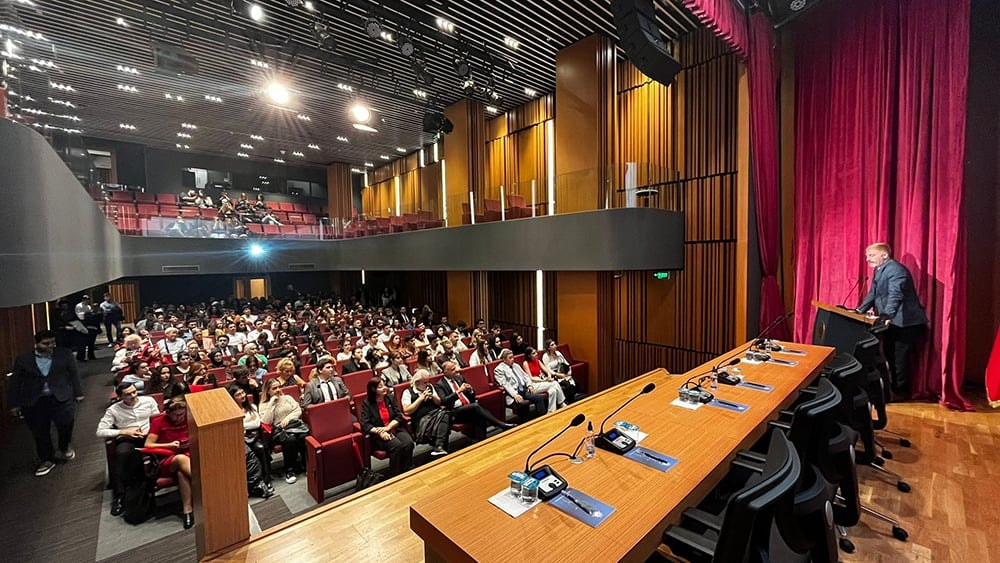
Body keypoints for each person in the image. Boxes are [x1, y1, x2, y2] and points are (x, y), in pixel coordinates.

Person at [855, 242, 929, 395]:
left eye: (871, 255)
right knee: (889, 355)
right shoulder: (879, 270)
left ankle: (900, 392)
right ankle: (892, 389)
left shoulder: (896, 270)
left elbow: (896, 295)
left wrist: (886, 315)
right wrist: (859, 311)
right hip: (893, 322)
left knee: (898, 357)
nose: (867, 259)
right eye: (867, 256)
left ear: (885, 255)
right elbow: (873, 294)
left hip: (906, 323)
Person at [9, 330, 85, 476]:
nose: (51, 346)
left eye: (53, 342)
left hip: (61, 396)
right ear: (36, 343)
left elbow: (74, 374)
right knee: (40, 432)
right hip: (34, 400)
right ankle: (47, 459)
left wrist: (78, 393)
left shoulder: (64, 354)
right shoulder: (23, 359)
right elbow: (15, 382)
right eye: (46, 343)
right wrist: (14, 404)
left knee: (66, 424)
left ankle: (64, 446)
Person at [96, 382, 160, 516]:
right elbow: (100, 431)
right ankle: (120, 495)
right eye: (128, 394)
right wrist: (124, 432)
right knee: (122, 454)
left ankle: (151, 485)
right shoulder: (114, 410)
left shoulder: (148, 401)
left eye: (134, 392)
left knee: (163, 450)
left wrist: (148, 431)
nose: (133, 396)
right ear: (120, 397)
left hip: (149, 434)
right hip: (128, 437)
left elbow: (157, 419)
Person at [144, 397, 195, 529]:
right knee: (180, 459)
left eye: (182, 414)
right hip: (168, 459)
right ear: (168, 412)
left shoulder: (188, 417)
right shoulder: (159, 422)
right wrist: (170, 445)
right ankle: (206, 483)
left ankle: (187, 510)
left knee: (181, 473)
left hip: (189, 454)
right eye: (176, 415)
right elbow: (148, 444)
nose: (180, 417)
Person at [435, 360, 513, 439]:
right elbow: (444, 401)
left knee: (479, 415)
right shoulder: (440, 385)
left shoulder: (459, 378)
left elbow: (472, 395)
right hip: (454, 412)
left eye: (455, 368)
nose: (456, 371)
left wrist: (470, 390)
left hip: (467, 407)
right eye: (452, 369)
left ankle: (482, 441)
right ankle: (501, 425)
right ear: (445, 372)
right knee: (476, 407)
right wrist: (459, 391)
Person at [227, 384, 274, 497]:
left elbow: (257, 423)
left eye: (242, 392)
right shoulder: (230, 411)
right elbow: (235, 426)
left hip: (253, 436)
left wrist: (243, 425)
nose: (242, 395)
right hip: (239, 439)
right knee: (248, 454)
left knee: (261, 448)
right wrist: (245, 424)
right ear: (232, 397)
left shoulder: (252, 406)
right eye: (238, 394)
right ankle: (254, 484)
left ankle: (266, 480)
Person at [360, 378, 415, 477]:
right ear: (373, 390)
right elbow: (365, 424)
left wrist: (388, 427)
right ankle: (395, 474)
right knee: (397, 446)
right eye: (380, 387)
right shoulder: (367, 404)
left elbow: (398, 416)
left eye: (384, 385)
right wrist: (380, 432)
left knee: (408, 443)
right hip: (379, 434)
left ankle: (406, 468)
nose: (384, 388)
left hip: (394, 428)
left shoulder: (390, 398)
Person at [259, 379, 306, 483]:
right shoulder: (264, 405)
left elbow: (298, 410)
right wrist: (271, 404)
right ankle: (289, 469)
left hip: (294, 425)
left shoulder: (287, 398)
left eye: (279, 387)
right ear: (268, 391)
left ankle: (305, 464)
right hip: (279, 431)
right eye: (274, 388)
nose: (278, 390)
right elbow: (266, 421)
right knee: (290, 439)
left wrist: (288, 418)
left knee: (303, 436)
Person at [400, 369, 451, 456]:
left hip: (436, 415)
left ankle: (439, 447)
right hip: (422, 422)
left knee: (445, 414)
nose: (427, 384)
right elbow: (407, 411)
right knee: (445, 416)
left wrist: (433, 396)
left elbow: (439, 402)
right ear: (417, 382)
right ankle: (439, 446)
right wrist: (420, 399)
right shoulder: (408, 392)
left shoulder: (430, 387)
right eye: (425, 382)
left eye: (428, 382)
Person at [493, 349, 548, 420]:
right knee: (522, 404)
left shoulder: (516, 365)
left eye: (513, 357)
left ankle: (542, 419)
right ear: (504, 359)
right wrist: (515, 395)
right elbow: (505, 384)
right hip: (513, 393)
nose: (513, 359)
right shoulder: (499, 369)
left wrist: (529, 385)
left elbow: (526, 376)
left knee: (539, 397)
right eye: (510, 358)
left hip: (524, 390)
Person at [521, 346, 568, 411]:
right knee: (555, 383)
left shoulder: (538, 361)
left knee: (553, 390)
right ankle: (561, 403)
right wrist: (544, 380)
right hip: (533, 384)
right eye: (533, 353)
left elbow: (547, 371)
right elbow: (530, 378)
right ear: (529, 355)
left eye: (536, 352)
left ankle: (551, 411)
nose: (536, 354)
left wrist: (548, 376)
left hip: (541, 381)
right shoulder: (525, 363)